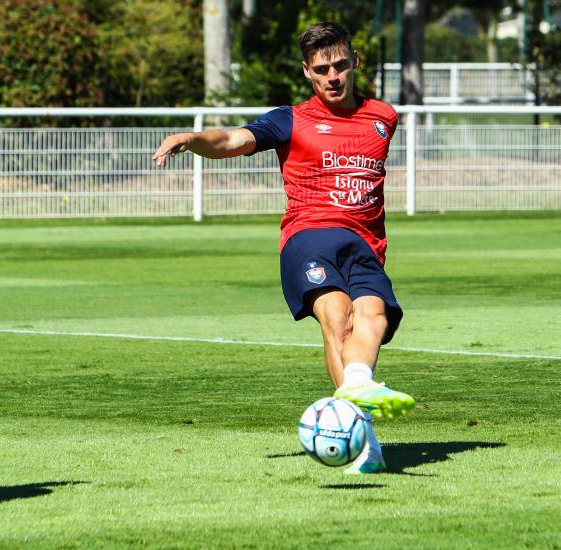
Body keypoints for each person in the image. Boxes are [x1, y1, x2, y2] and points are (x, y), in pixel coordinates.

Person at [152, 22, 414, 473]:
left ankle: (356, 384)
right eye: (321, 69)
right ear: (307, 73)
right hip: (309, 236)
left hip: (365, 244)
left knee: (374, 315)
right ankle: (362, 438)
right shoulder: (290, 120)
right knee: (338, 318)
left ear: (354, 61)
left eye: (339, 65)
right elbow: (234, 140)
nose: (332, 76)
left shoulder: (383, 117)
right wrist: (193, 140)